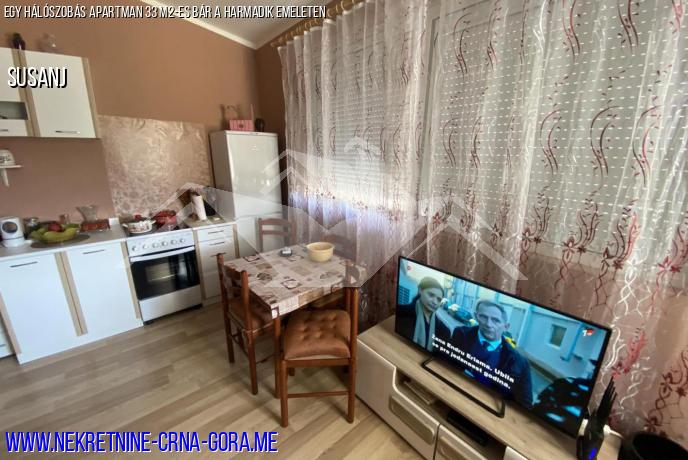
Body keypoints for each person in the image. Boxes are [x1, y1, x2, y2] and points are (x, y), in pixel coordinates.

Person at [449, 300, 533, 408]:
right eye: (483, 317)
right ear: (476, 317)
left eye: (496, 320)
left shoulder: (520, 363)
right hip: (454, 393)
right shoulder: (460, 334)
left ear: (506, 326)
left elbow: (525, 405)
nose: (488, 324)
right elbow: (445, 364)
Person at [396, 277, 452, 351]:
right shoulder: (401, 312)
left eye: (439, 299)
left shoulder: (444, 330)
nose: (435, 302)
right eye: (431, 295)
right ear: (420, 290)